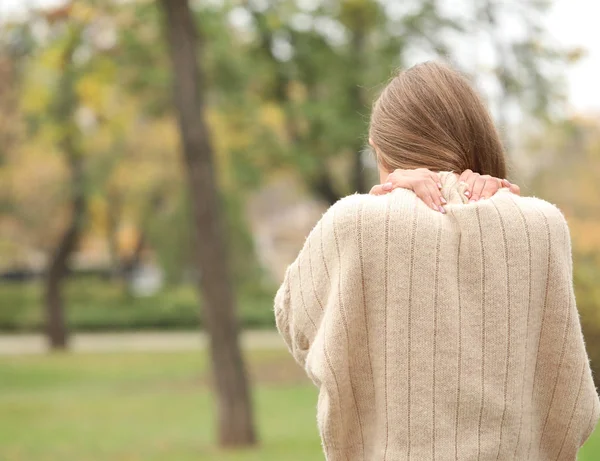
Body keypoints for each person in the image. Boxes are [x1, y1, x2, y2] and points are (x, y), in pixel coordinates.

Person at [274, 61, 599, 460]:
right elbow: (570, 399)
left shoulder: (355, 222)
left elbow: (295, 321)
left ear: (383, 150)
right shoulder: (542, 224)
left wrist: (384, 202)